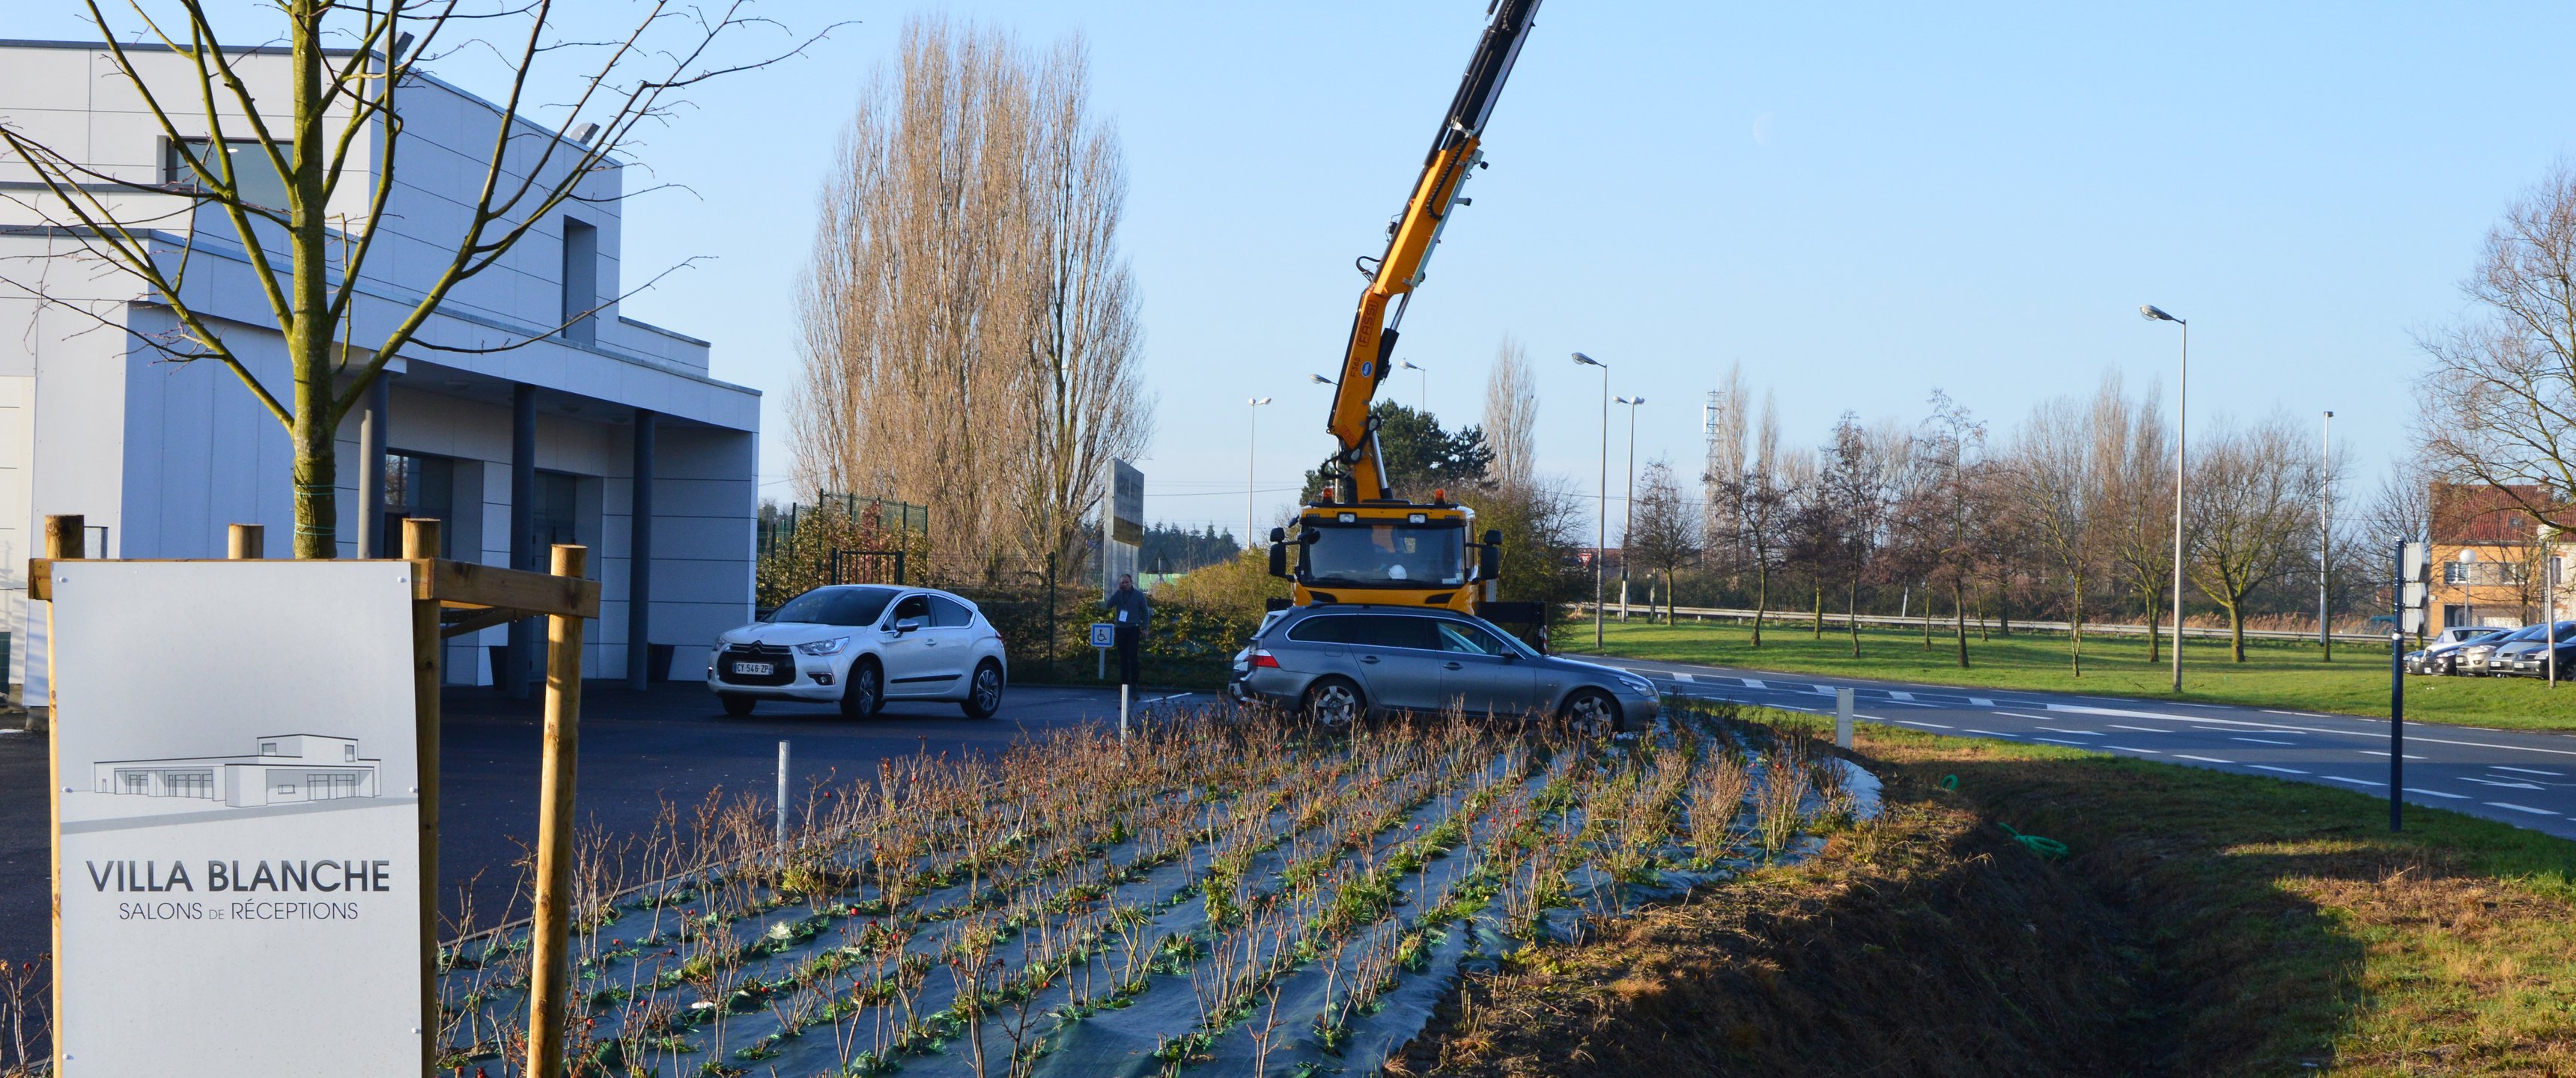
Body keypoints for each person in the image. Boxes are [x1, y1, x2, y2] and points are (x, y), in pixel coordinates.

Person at [1105, 573, 1152, 686]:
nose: (1125, 584)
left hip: (1133, 628)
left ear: (1131, 583)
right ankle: (1124, 684)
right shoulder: (1118, 594)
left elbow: (1145, 612)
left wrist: (1145, 628)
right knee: (1123, 657)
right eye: (1122, 582)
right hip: (1120, 628)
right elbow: (1108, 605)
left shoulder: (1139, 595)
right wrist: (1118, 592)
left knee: (1132, 654)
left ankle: (1134, 682)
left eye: (1127, 582)